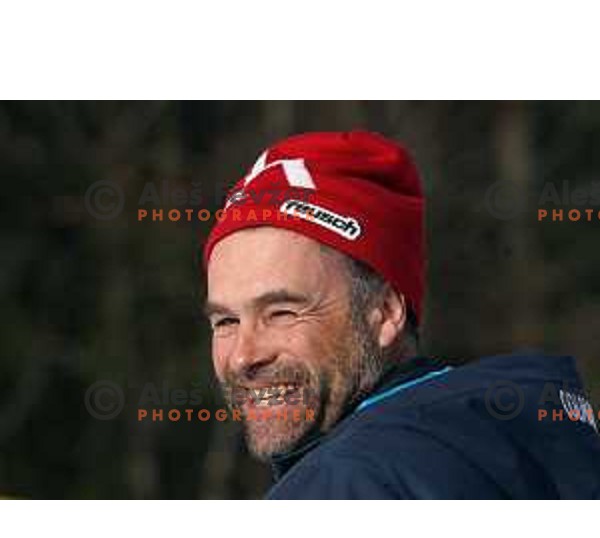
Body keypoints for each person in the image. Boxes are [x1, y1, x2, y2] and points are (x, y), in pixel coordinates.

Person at [202, 130, 600, 499]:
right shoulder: (530, 443)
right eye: (226, 322)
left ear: (386, 312)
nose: (243, 356)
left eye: (282, 312)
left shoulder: (346, 484)